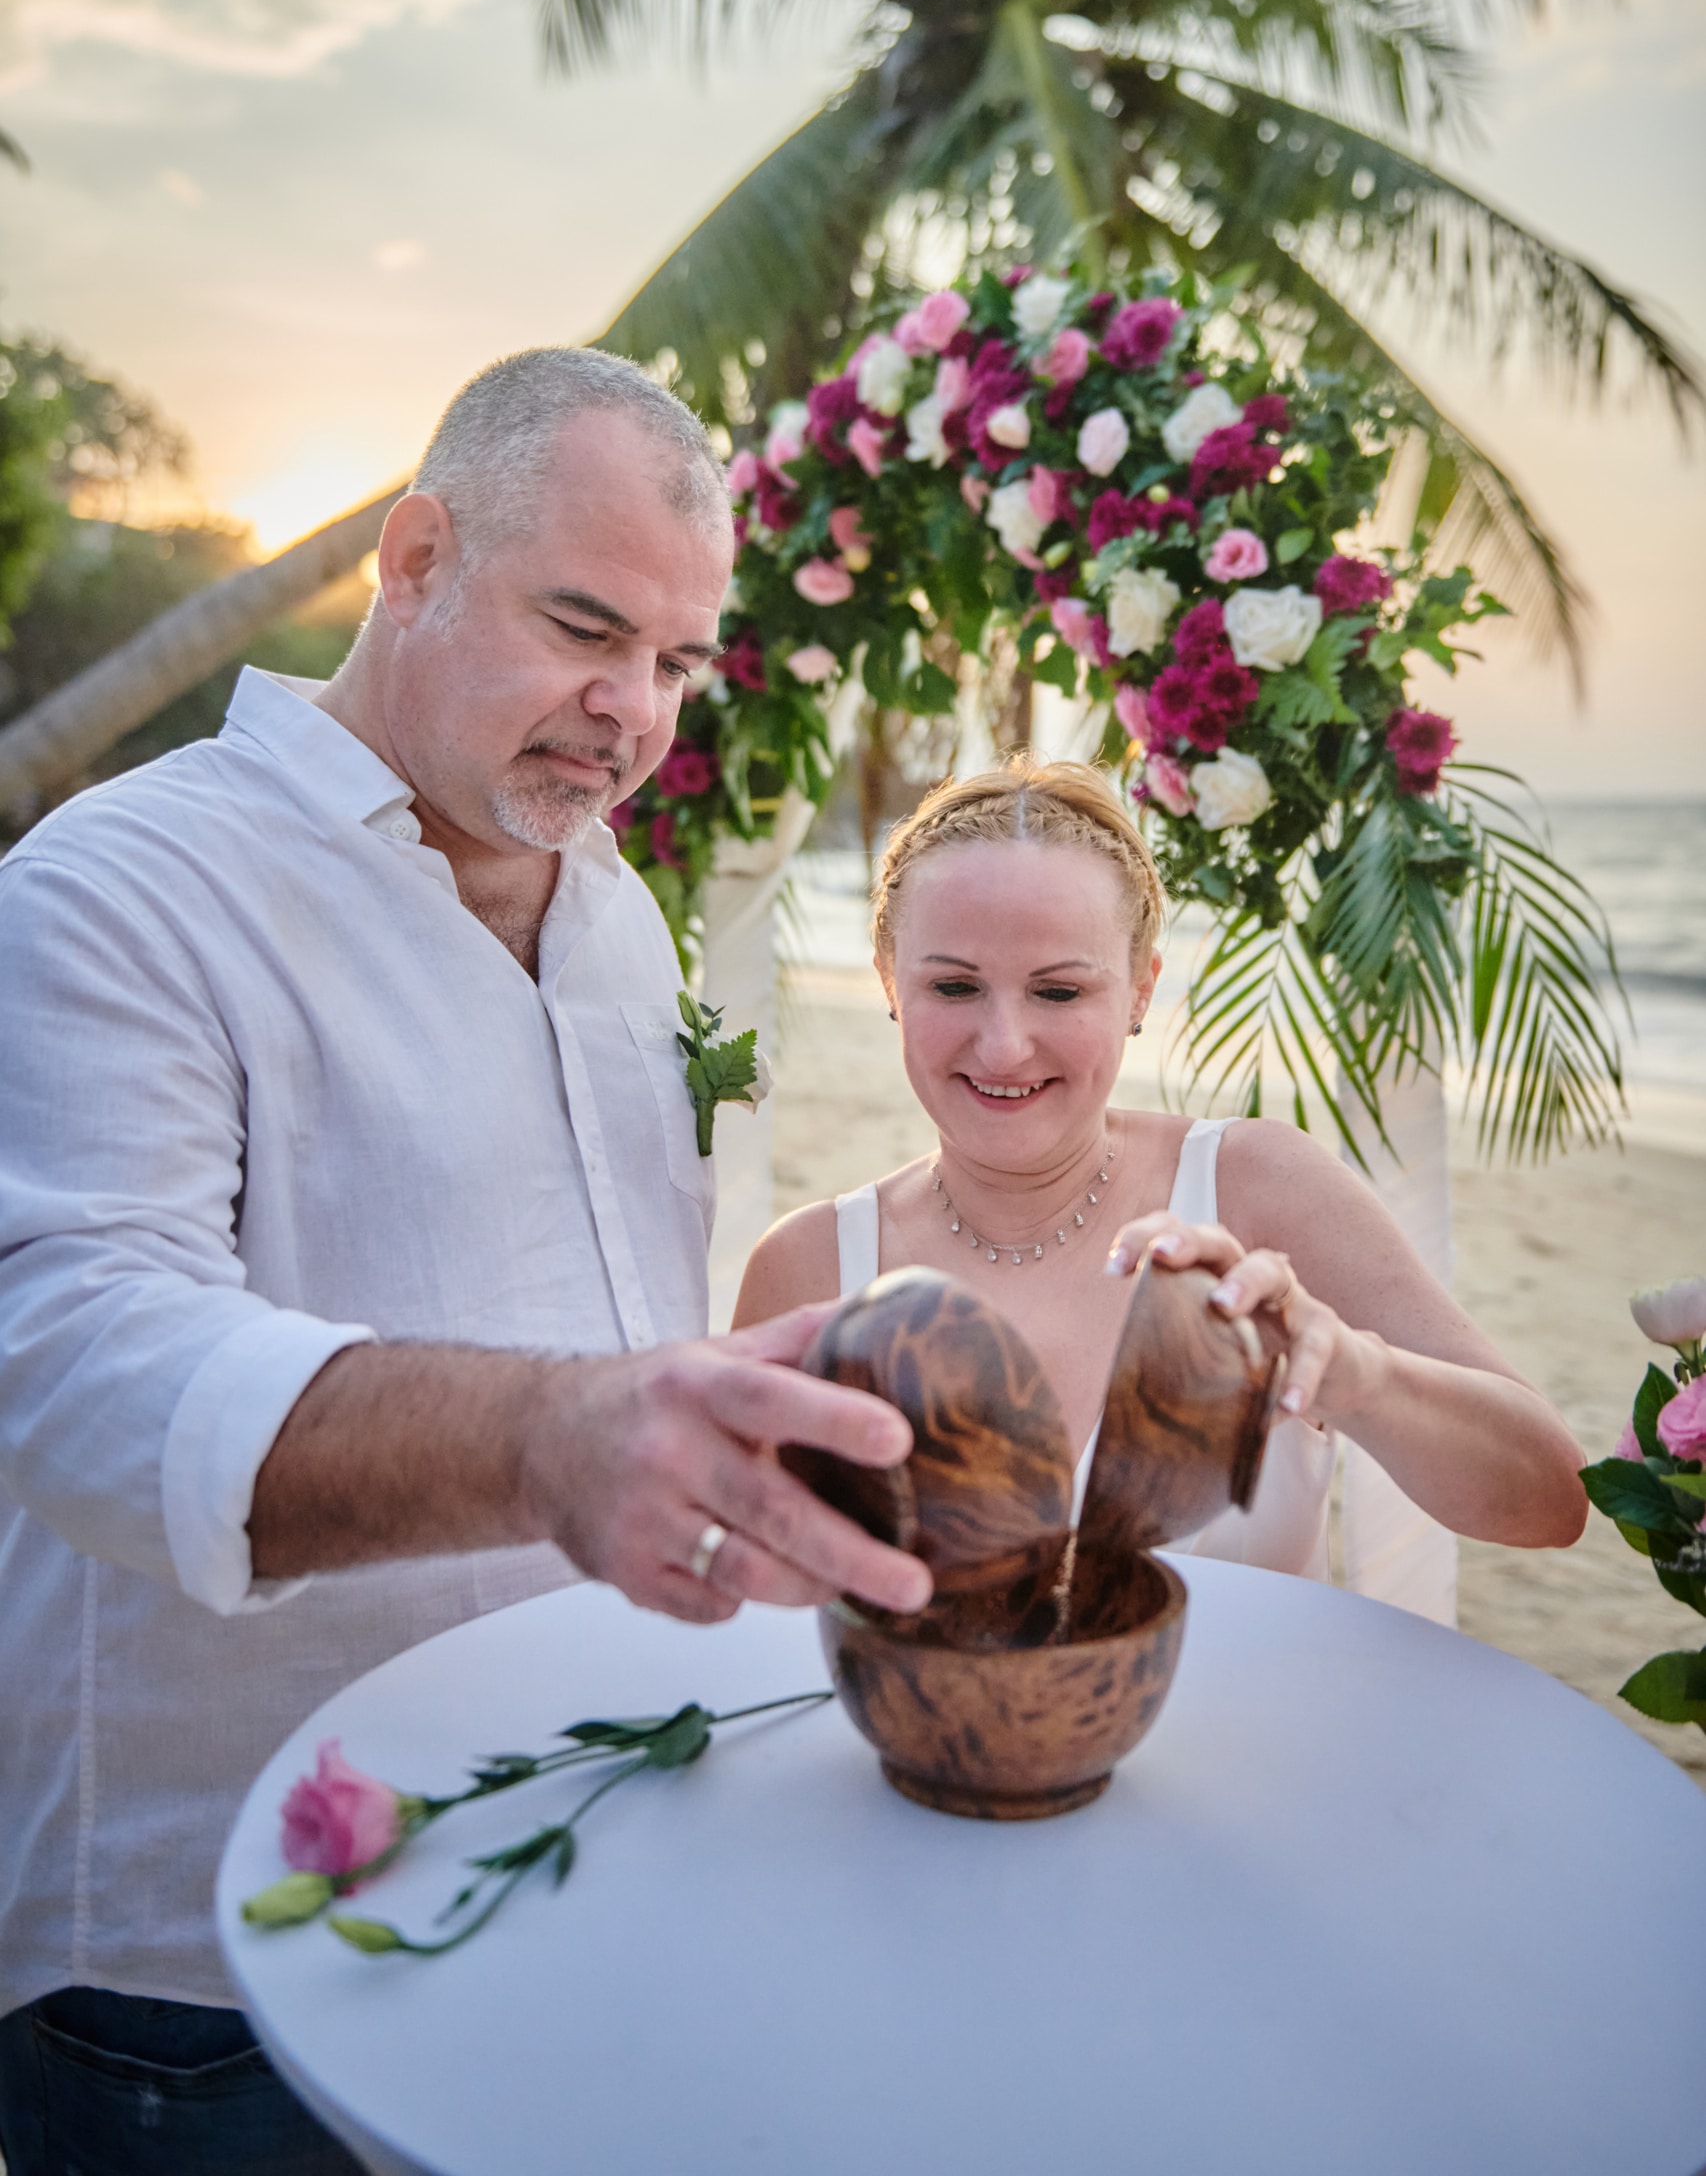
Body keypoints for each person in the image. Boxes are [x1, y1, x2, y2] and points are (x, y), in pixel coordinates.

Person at [0, 348, 927, 2176]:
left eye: (674, 661)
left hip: (570, 1853)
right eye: (584, 627)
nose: (632, 711)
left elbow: (608, 1316)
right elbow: (70, 1365)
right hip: (214, 1968)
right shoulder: (115, 888)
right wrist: (550, 1441)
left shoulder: (621, 917)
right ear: (412, 559)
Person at [734, 756, 1588, 1569]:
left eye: (1059, 991)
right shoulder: (808, 1267)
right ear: (890, 981)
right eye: (954, 987)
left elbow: (1552, 1502)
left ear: (1141, 989)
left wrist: (1360, 1377)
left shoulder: (1257, 1189)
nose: (1003, 1046)